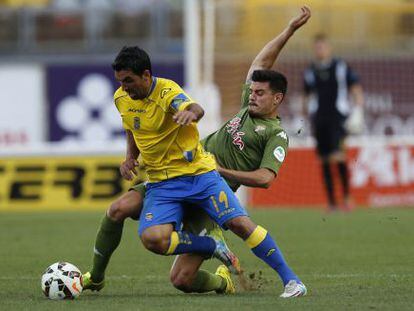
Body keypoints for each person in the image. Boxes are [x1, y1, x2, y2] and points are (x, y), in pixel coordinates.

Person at [83, 6, 311, 298]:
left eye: (260, 93)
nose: (252, 95)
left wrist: (220, 165)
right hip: (168, 176)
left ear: (277, 99)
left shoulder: (276, 135)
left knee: (207, 254)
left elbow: (266, 178)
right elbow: (261, 62)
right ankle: (98, 277)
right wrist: (289, 29)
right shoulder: (246, 108)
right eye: (252, 91)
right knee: (120, 211)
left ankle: (291, 281)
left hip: (206, 182)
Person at [303, 33, 364, 211]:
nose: (319, 50)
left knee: (338, 156)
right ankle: (331, 203)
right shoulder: (310, 70)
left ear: (328, 48)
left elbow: (355, 88)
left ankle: (346, 198)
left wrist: (358, 111)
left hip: (337, 118)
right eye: (317, 47)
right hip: (319, 119)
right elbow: (307, 97)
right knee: (323, 160)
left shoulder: (340, 66)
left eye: (322, 46)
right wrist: (305, 118)